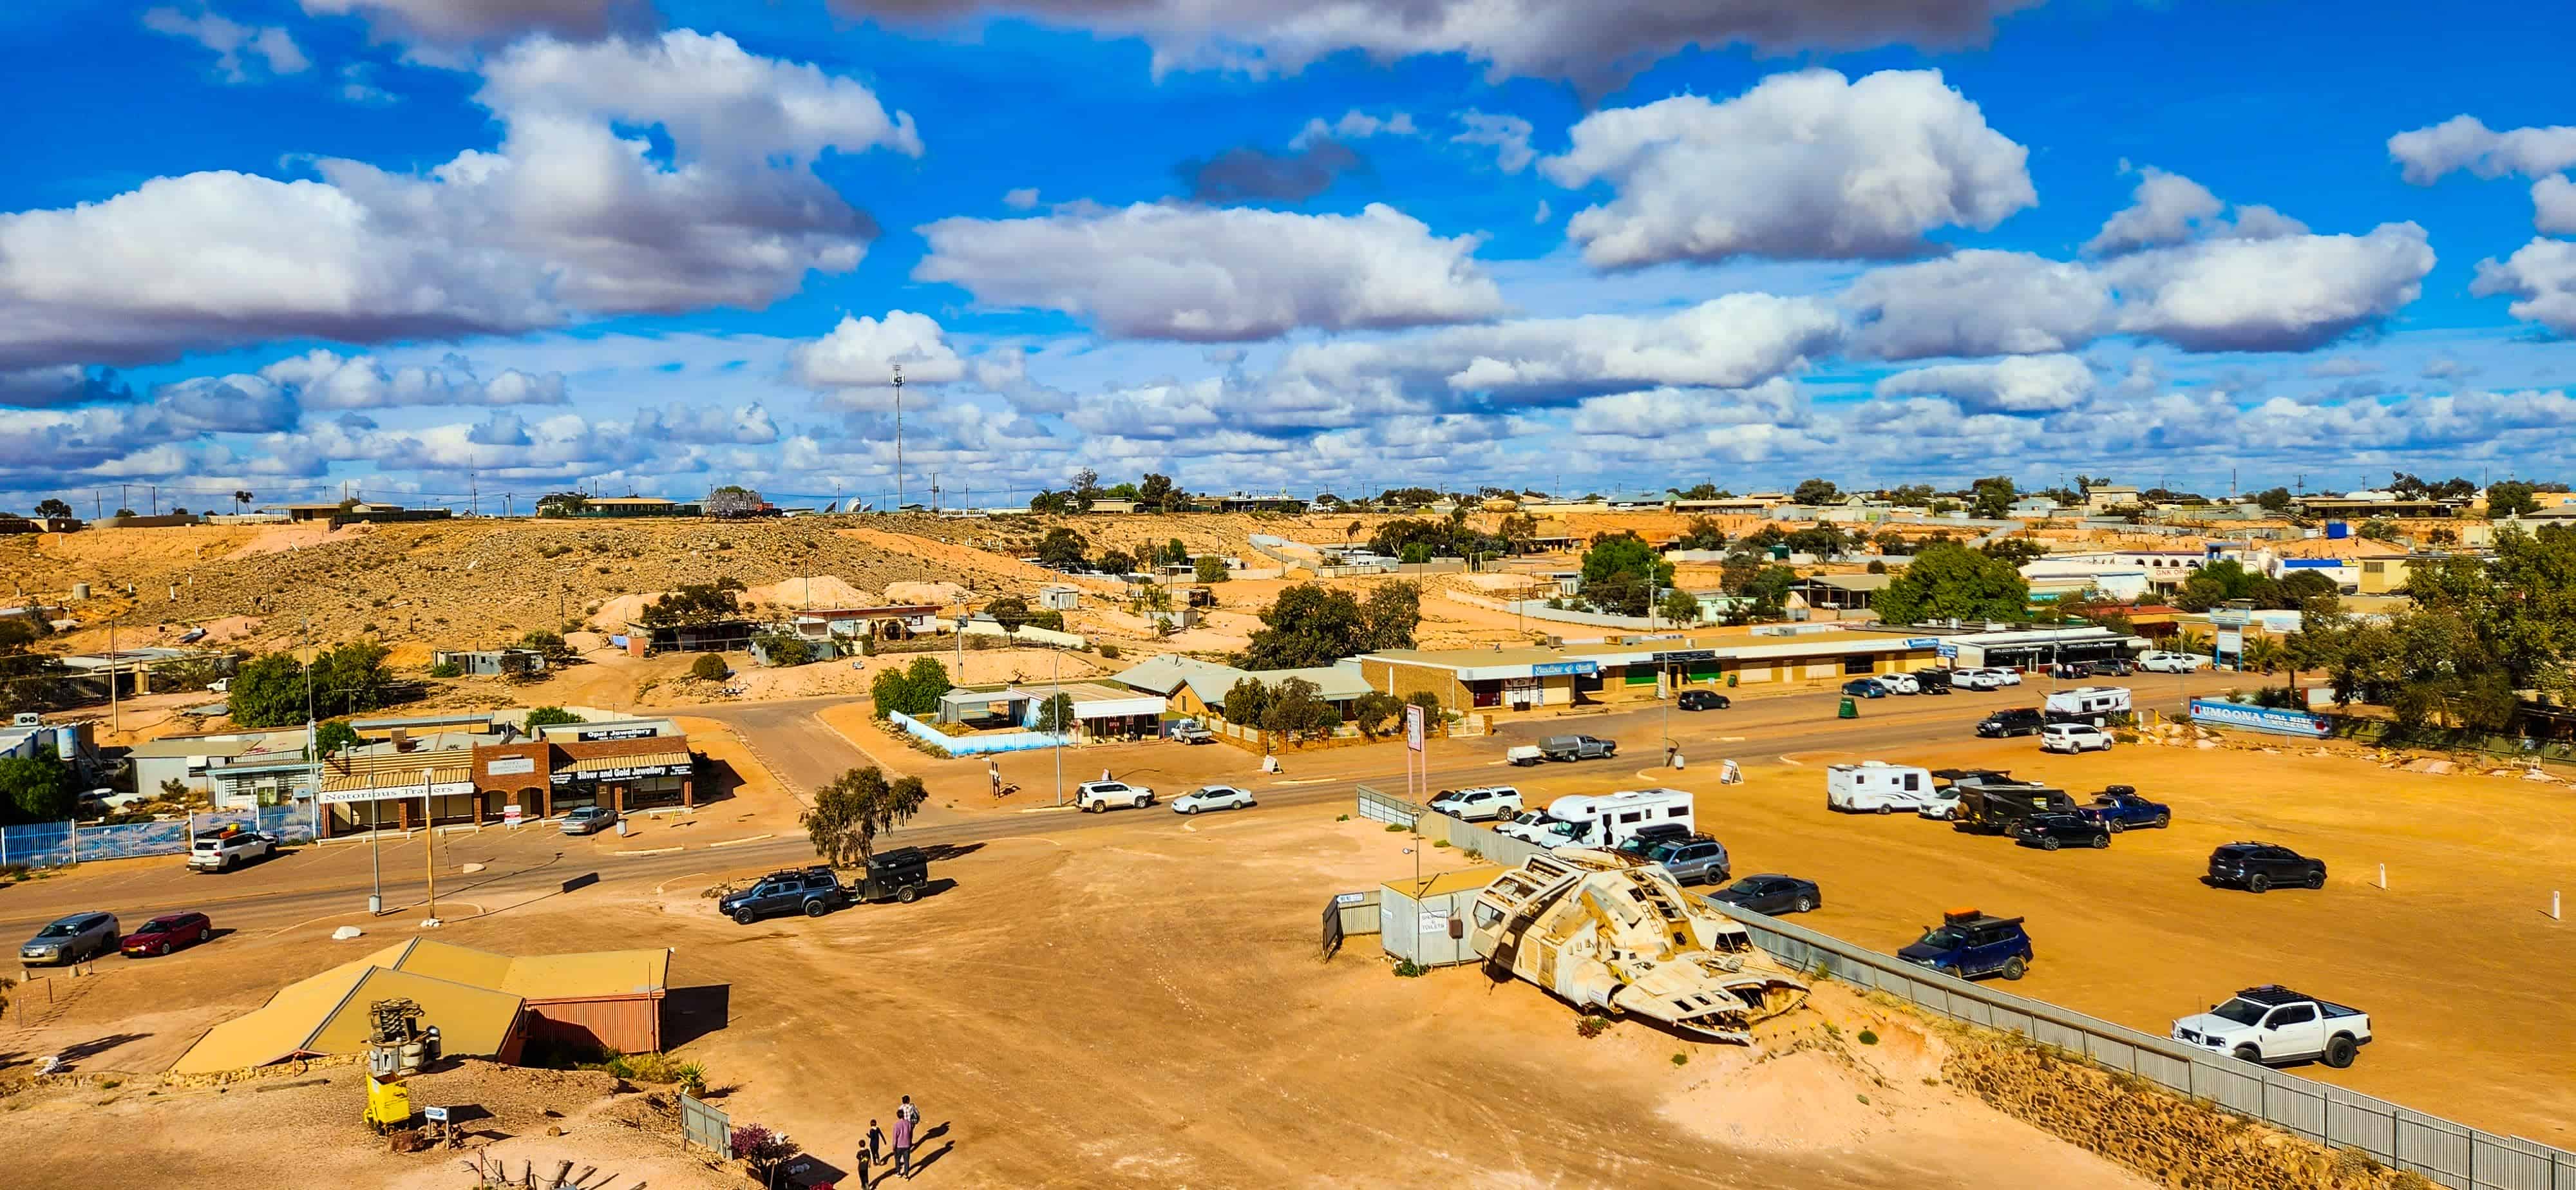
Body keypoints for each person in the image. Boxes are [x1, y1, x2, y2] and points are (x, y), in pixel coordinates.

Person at [890, 1101, 916, 1178]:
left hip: (899, 1146)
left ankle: (898, 1172)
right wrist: (910, 1142)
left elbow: (895, 1137)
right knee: (906, 1161)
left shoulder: (897, 1125)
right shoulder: (908, 1123)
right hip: (907, 1144)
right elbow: (911, 1133)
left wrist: (894, 1147)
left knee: (897, 1160)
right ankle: (906, 1175)